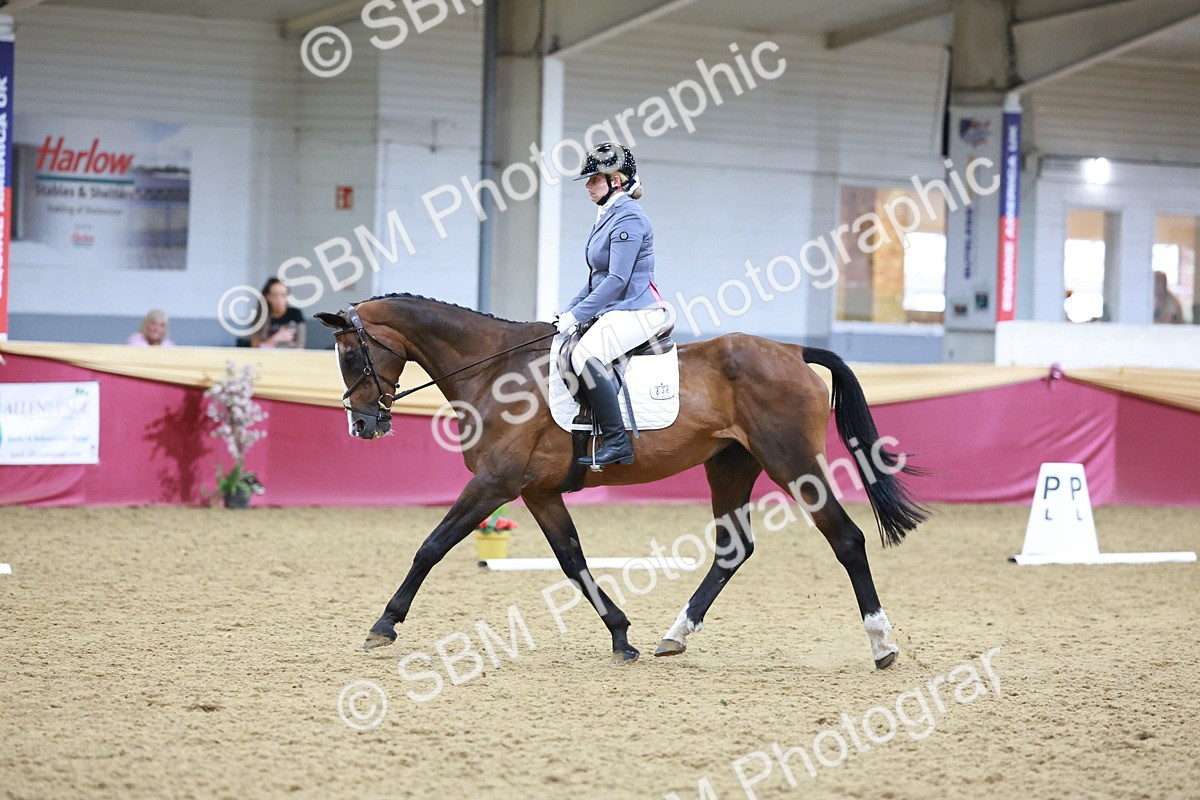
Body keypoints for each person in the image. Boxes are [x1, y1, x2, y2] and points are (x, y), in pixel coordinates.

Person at [555, 142, 670, 468]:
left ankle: (618, 442)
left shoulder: (629, 218)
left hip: (639, 309)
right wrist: (568, 311)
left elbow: (617, 281)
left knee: (585, 354)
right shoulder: (607, 216)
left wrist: (578, 314)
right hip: (618, 309)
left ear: (616, 181)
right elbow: (597, 277)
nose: (588, 186)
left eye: (595, 179)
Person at [251, 277, 306, 348]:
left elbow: (300, 345)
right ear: (268, 297)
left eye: (283, 295)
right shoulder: (261, 316)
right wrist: (276, 338)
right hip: (267, 357)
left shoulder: (295, 314)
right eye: (275, 295)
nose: (279, 299)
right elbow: (255, 348)